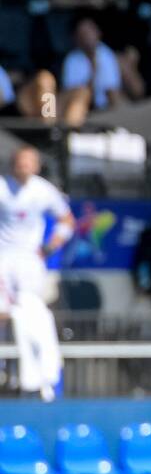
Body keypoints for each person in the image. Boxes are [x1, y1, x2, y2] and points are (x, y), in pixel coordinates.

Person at [0, 146, 74, 401]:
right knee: (3, 314)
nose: (24, 167)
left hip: (30, 262)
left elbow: (67, 221)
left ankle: (38, 377)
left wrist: (49, 246)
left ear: (36, 165)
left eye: (29, 162)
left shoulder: (43, 191)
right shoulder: (2, 187)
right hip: (2, 259)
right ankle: (6, 371)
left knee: (32, 316)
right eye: (20, 162)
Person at [50, 0, 148, 99]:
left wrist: (132, 52)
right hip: (93, 57)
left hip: (120, 63)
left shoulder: (127, 6)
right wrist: (84, 0)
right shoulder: (87, 3)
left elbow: (135, 41)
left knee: (132, 83)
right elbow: (53, 0)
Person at [59, 17, 125, 127]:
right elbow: (74, 94)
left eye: (90, 31)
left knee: (116, 95)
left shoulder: (106, 53)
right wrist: (93, 71)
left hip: (108, 106)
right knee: (82, 94)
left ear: (98, 32)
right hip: (83, 109)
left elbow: (113, 88)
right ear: (76, 38)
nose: (88, 36)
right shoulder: (71, 60)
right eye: (83, 33)